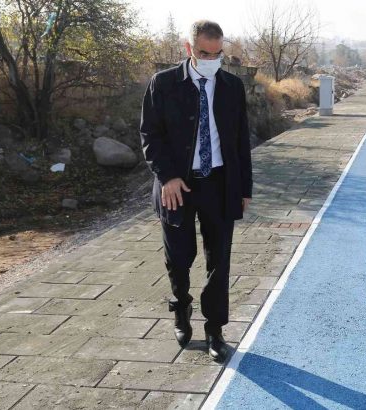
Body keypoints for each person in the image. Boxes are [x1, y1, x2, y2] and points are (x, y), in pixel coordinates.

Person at [140, 20, 252, 362]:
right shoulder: (163, 84)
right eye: (204, 53)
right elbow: (150, 135)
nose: (211, 60)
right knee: (179, 257)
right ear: (188, 48)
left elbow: (241, 140)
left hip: (220, 183)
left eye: (218, 54)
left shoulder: (232, 86)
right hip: (177, 186)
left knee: (219, 260)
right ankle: (181, 307)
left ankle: (215, 329)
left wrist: (244, 188)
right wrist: (168, 177)